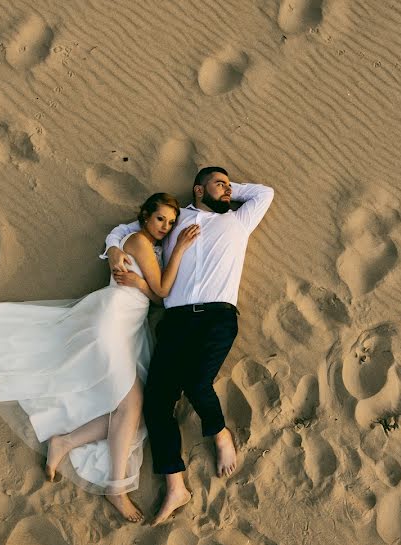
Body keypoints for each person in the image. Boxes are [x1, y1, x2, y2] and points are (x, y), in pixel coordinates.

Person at [0, 193, 198, 522]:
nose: (166, 226)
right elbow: (162, 291)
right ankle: (116, 488)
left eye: (171, 223)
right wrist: (179, 251)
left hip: (129, 327)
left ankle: (65, 442)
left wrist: (141, 281)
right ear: (145, 217)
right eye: (161, 219)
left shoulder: (138, 242)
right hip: (112, 321)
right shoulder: (140, 241)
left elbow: (154, 296)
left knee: (137, 411)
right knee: (130, 405)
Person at [105, 167, 274, 524]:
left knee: (198, 382)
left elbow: (265, 194)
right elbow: (126, 230)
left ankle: (219, 432)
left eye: (229, 186)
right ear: (198, 189)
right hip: (176, 321)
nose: (227, 190)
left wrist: (228, 189)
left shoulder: (239, 221)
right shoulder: (177, 219)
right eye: (219, 184)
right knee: (156, 404)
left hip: (217, 317)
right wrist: (113, 248)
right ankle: (175, 487)